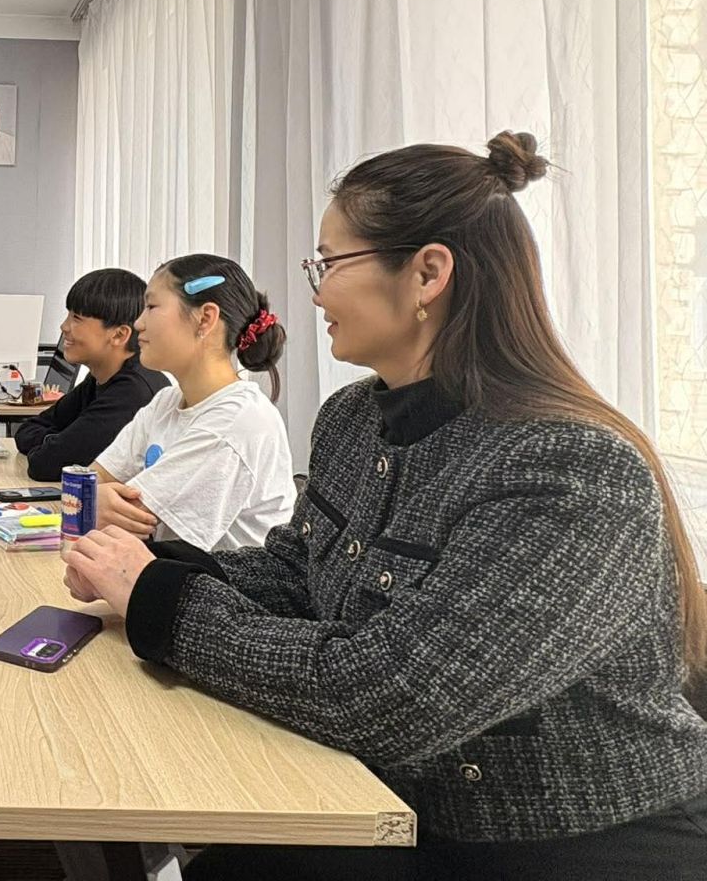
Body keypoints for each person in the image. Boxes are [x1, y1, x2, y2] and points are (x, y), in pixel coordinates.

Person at [65, 133, 707, 879]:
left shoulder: (570, 469)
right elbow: (299, 574)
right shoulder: (351, 419)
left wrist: (160, 599)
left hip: (572, 846)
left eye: (329, 264)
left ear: (428, 273)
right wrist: (145, 568)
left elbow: (396, 697)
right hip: (399, 802)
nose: (315, 293)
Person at [86, 255, 294, 551]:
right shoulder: (167, 402)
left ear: (205, 318)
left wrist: (91, 500)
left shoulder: (236, 420)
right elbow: (92, 481)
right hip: (175, 570)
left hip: (219, 580)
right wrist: (91, 498)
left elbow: (128, 515)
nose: (138, 323)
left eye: (151, 307)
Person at [14, 268, 169, 481]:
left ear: (119, 334)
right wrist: (56, 441)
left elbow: (46, 465)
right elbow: (27, 430)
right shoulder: (99, 378)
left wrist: (55, 443)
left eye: (77, 318)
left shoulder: (131, 393)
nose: (64, 326)